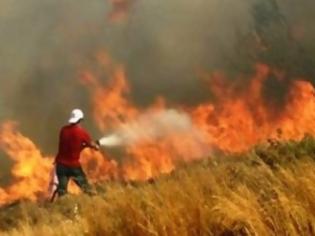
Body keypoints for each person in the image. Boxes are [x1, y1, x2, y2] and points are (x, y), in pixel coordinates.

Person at [54, 108, 100, 197]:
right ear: (80, 120)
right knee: (87, 188)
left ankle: (62, 207)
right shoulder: (81, 132)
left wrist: (83, 145)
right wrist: (96, 146)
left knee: (62, 192)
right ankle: (94, 202)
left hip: (60, 166)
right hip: (73, 167)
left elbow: (70, 146)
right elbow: (93, 145)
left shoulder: (63, 130)